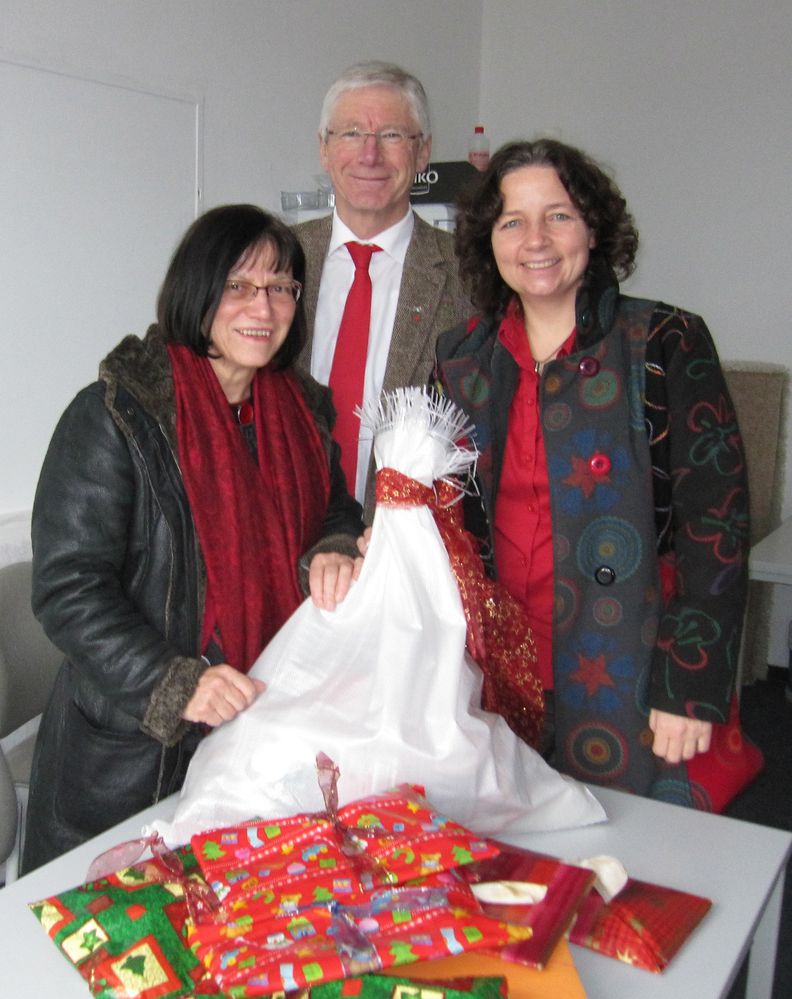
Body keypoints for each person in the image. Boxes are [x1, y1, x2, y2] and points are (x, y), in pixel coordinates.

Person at [22, 204, 365, 872]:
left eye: (281, 286)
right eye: (239, 285)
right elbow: (68, 588)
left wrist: (335, 545)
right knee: (131, 931)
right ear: (197, 290)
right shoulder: (116, 414)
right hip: (134, 760)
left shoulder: (302, 411)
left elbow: (336, 509)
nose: (263, 306)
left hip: (265, 732)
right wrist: (175, 682)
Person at [435, 138, 761, 809]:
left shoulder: (664, 341)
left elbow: (716, 524)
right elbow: (437, 517)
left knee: (634, 851)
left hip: (629, 667)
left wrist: (690, 682)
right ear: (488, 240)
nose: (535, 240)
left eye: (558, 215)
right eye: (512, 221)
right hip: (491, 674)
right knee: (509, 848)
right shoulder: (461, 358)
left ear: (594, 228)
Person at [294, 61, 469, 520]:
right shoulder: (274, 261)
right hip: (285, 537)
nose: (369, 155)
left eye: (391, 135)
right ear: (324, 149)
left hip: (414, 543)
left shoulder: (470, 276)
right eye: (351, 133)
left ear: (423, 151)